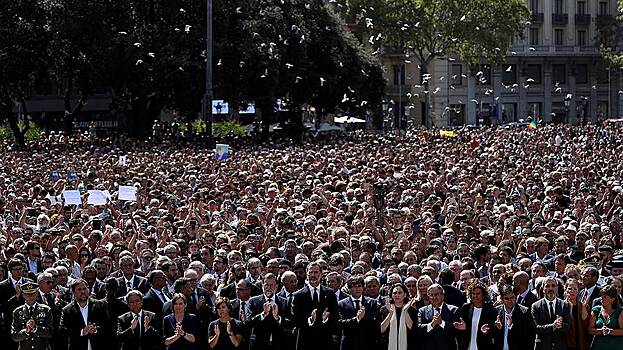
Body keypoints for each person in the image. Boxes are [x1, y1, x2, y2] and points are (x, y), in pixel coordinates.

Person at [291, 261, 338, 350]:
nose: (313, 275)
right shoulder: (298, 295)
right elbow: (295, 318)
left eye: (316, 272)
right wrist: (310, 320)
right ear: (307, 274)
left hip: (325, 340)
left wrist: (327, 318)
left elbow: (335, 315)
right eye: (310, 272)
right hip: (305, 340)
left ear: (321, 274)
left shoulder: (330, 293)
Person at [59, 278, 110, 350]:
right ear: (73, 292)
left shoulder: (100, 305)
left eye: (84, 288)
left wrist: (96, 329)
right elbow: (63, 330)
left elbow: (107, 325)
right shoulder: (67, 310)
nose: (83, 291)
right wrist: (82, 332)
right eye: (79, 289)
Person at [337, 275, 381, 350]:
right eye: (354, 286)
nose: (357, 289)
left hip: (368, 343)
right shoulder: (341, 304)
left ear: (363, 287)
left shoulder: (372, 302)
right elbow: (340, 323)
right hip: (348, 344)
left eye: (359, 286)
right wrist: (357, 319)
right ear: (349, 288)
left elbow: (376, 323)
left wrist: (363, 317)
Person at [247, 273, 290, 350]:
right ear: (262, 285)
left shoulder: (284, 302)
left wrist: (277, 318)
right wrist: (263, 314)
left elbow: (290, 323)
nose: (268, 288)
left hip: (279, 344)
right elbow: (249, 322)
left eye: (271, 285)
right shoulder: (253, 301)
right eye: (266, 285)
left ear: (276, 286)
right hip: (259, 343)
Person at [10, 281, 53, 350]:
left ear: (37, 294)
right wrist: (26, 331)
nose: (31, 296)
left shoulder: (46, 310)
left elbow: (50, 332)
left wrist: (36, 328)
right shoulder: (17, 312)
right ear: (23, 295)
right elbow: (14, 336)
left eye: (33, 293)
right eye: (28, 294)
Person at [417, 283, 461, 350]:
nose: (434, 297)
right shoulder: (422, 311)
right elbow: (418, 328)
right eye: (431, 295)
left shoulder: (453, 310)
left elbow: (456, 330)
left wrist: (442, 323)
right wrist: (431, 325)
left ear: (442, 296)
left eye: (436, 294)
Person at [531, 277, 570, 350]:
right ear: (543, 289)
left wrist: (561, 325)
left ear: (557, 288)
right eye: (547, 286)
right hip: (542, 346)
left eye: (553, 285)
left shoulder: (564, 305)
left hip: (559, 346)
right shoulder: (536, 306)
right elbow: (535, 328)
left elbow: (568, 326)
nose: (550, 289)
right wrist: (552, 326)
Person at [456, 281, 497, 350]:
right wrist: (463, 328)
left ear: (483, 295)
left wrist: (488, 331)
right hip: (467, 346)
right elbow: (462, 329)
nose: (475, 296)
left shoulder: (491, 310)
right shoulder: (466, 308)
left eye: (478, 294)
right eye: (473, 293)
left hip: (484, 346)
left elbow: (494, 330)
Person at [492, 285, 535, 350]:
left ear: (516, 297)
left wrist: (511, 326)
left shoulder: (524, 312)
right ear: (502, 299)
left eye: (512, 298)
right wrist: (496, 328)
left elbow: (528, 337)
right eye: (506, 298)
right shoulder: (496, 311)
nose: (510, 301)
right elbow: (493, 337)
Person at [380, 283, 415, 350]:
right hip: (387, 345)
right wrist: (390, 313)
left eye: (400, 293)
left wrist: (405, 311)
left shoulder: (411, 310)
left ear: (405, 295)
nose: (397, 295)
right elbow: (382, 329)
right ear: (391, 295)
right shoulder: (385, 309)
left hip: (408, 345)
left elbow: (411, 328)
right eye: (395, 293)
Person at [588, 285, 623, 350]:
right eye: (601, 296)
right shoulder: (596, 310)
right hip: (598, 346)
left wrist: (609, 331)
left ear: (613, 299)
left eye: (605, 297)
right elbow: (590, 330)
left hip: (616, 346)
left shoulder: (620, 311)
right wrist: (600, 331)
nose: (601, 299)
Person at [562, 279, 589, 350]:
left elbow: (585, 323)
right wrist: (569, 309)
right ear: (565, 290)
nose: (572, 291)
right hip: (566, 342)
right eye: (570, 288)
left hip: (580, 341)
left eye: (575, 289)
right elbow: (565, 324)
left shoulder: (582, 305)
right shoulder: (561, 305)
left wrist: (584, 308)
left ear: (578, 291)